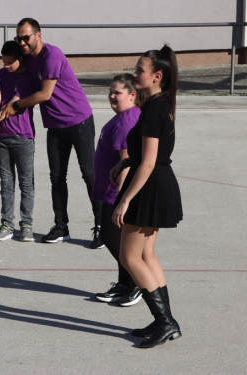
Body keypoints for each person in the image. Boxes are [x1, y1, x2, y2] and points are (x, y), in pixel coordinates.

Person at [0, 18, 103, 247]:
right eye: (19, 38)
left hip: (79, 121)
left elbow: (45, 94)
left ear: (38, 34)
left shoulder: (52, 56)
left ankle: (101, 226)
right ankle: (61, 226)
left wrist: (16, 105)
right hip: (55, 125)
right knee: (57, 177)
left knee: (89, 175)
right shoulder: (26, 57)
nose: (23, 42)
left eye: (26, 37)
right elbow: (12, 68)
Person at [111, 45, 183, 348]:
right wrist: (126, 161)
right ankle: (164, 321)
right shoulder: (160, 103)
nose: (135, 73)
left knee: (129, 256)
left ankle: (165, 322)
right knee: (146, 255)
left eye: (140, 70)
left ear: (157, 76)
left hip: (150, 187)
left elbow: (151, 161)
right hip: (156, 184)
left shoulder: (152, 110)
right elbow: (146, 155)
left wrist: (126, 199)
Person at [92, 74, 143, 307]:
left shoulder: (125, 122)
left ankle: (136, 282)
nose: (112, 96)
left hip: (116, 192)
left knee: (112, 237)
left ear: (132, 95)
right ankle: (124, 283)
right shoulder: (124, 117)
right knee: (115, 239)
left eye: (118, 92)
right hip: (110, 190)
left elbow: (126, 161)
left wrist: (121, 198)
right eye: (110, 91)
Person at [0, 41, 36, 242]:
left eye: (10, 62)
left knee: (26, 183)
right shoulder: (2, 74)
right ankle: (7, 224)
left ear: (20, 59)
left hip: (23, 137)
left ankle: (26, 225)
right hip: (2, 138)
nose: (6, 66)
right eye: (4, 62)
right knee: (6, 182)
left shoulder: (29, 78)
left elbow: (13, 104)